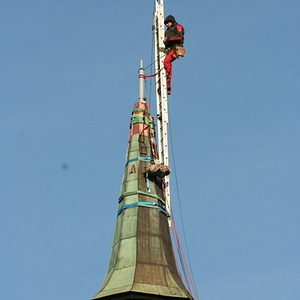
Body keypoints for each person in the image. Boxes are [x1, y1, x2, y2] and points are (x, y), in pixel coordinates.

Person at [163, 15, 185, 95]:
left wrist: (169, 39)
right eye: (166, 24)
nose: (167, 25)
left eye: (168, 23)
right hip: (169, 49)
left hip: (176, 48)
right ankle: (166, 81)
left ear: (171, 22)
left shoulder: (178, 27)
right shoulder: (167, 31)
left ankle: (168, 80)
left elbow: (179, 37)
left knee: (166, 61)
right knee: (165, 63)